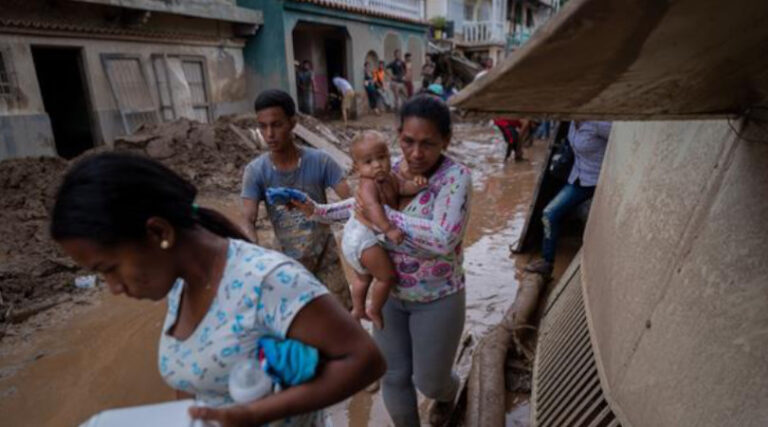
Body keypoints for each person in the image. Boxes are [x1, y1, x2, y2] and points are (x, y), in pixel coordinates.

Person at [50, 152, 386, 426]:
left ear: (157, 233)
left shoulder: (266, 281)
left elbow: (364, 360)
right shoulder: (179, 285)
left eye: (109, 269)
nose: (113, 288)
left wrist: (256, 414)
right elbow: (190, 385)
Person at [292, 95, 471, 426]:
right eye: (408, 141)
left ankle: (451, 392)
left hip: (436, 296)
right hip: (388, 297)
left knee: (430, 382)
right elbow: (357, 205)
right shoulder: (388, 168)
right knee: (393, 375)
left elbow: (444, 238)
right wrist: (317, 211)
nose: (416, 153)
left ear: (446, 140)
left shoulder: (455, 177)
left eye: (428, 144)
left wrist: (383, 218)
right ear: (398, 135)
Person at [242, 90, 352, 290]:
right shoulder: (255, 171)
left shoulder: (321, 161)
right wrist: (254, 255)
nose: (269, 134)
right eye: (263, 126)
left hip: (326, 260)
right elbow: (248, 220)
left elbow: (353, 204)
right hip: (286, 265)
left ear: (292, 123)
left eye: (276, 125)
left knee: (338, 317)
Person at [341, 131, 427, 329]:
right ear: (357, 168)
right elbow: (373, 209)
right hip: (362, 239)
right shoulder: (368, 185)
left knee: (363, 277)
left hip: (352, 239)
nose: (377, 165)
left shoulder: (390, 178)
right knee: (386, 277)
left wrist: (418, 185)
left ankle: (358, 309)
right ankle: (374, 309)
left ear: (389, 156)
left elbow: (403, 188)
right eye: (368, 162)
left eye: (381, 158)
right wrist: (389, 230)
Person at [526, 121, 612, 275]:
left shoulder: (599, 124)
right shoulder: (572, 123)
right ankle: (547, 261)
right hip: (578, 179)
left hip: (599, 181)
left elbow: (619, 141)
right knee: (549, 214)